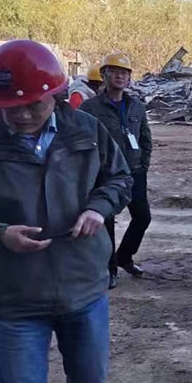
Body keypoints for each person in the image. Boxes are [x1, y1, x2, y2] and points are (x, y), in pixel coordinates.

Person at [0, 40, 132, 383]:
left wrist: (99, 208)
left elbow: (120, 178)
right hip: (15, 298)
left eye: (32, 105)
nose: (20, 115)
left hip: (82, 287)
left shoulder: (86, 130)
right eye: (9, 107)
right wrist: (0, 234)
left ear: (54, 94)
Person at [80, 52, 153, 288]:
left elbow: (145, 139)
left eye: (125, 73)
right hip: (105, 175)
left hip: (134, 172)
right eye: (115, 72)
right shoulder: (90, 108)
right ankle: (109, 269)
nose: (120, 77)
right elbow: (81, 141)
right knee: (107, 222)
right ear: (104, 75)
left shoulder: (136, 107)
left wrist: (142, 165)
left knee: (142, 217)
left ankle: (124, 256)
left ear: (129, 78)